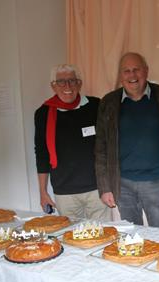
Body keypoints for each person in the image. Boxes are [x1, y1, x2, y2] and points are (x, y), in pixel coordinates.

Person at [95, 52, 159, 228]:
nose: (132, 75)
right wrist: (105, 186)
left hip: (157, 182)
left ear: (146, 71)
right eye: (126, 71)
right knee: (131, 236)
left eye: (136, 69)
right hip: (123, 184)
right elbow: (101, 148)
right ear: (121, 75)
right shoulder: (109, 102)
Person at [34, 64, 111, 221]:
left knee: (104, 235)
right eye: (61, 82)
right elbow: (42, 154)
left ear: (79, 83)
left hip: (97, 189)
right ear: (53, 86)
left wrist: (109, 185)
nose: (67, 86)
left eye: (72, 81)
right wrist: (43, 192)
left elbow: (108, 145)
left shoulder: (96, 106)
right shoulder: (43, 113)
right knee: (70, 237)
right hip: (65, 192)